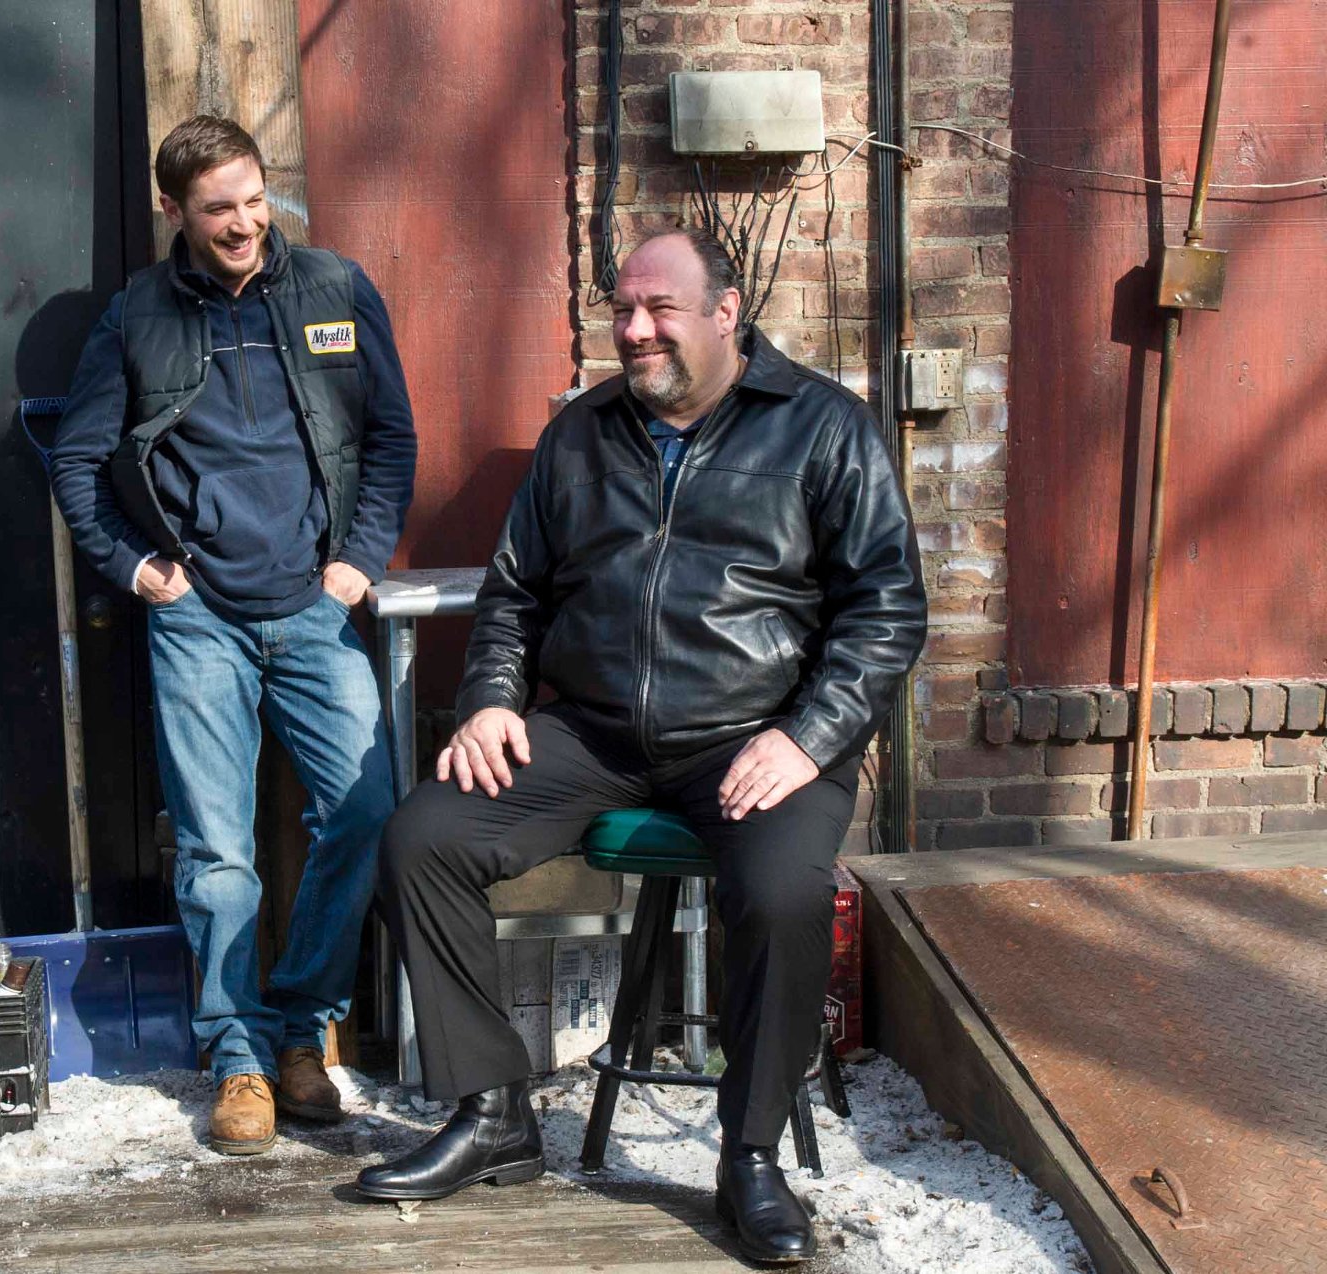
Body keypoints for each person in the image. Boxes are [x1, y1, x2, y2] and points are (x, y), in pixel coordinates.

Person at [357, 225, 925, 1263]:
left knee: (785, 891)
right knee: (421, 837)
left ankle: (748, 1153)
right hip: (594, 732)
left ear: (726, 309)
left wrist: (810, 735)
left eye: (659, 308)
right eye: (622, 309)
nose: (635, 328)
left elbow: (886, 610)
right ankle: (493, 1111)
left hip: (756, 737)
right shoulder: (580, 435)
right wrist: (490, 698)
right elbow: (516, 590)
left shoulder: (823, 428)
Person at [48, 115, 415, 1156]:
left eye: (254, 199)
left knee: (365, 808)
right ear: (175, 211)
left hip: (311, 605)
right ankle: (241, 1058)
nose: (245, 221)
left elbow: (391, 435)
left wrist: (362, 556)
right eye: (220, 208)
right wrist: (137, 568)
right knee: (218, 854)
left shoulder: (336, 291)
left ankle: (304, 1030)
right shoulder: (136, 318)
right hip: (199, 616)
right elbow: (76, 465)